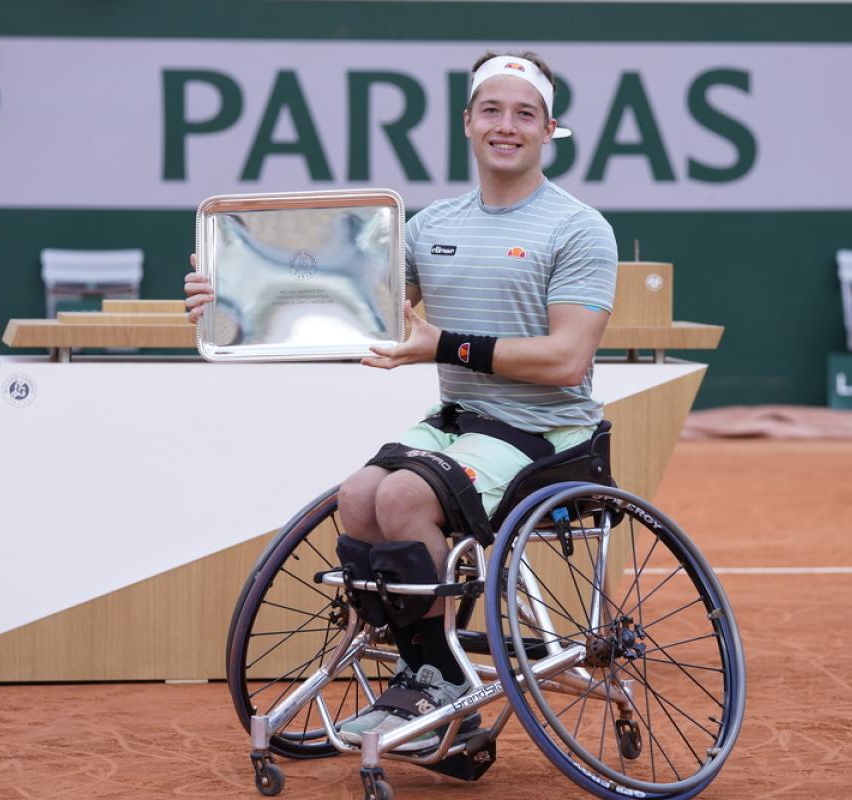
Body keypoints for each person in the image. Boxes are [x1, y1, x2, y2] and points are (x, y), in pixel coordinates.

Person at [184, 52, 618, 748]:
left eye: (524, 114)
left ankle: (437, 680)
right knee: (361, 494)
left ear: (549, 129)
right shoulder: (429, 227)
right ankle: (424, 672)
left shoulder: (578, 228)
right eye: (492, 110)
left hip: (550, 434)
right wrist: (227, 302)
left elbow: (568, 360)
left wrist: (444, 345)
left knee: (405, 500)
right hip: (459, 424)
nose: (507, 126)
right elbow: (345, 304)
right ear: (469, 123)